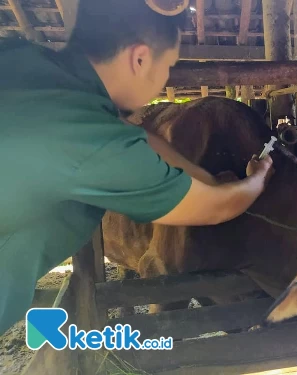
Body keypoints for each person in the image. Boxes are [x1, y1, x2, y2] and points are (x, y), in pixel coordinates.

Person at [0, 0, 274, 335]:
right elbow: (218, 208)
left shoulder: (20, 58)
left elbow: (133, 132)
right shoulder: (97, 143)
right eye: (167, 66)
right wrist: (257, 180)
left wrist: (205, 178)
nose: (163, 81)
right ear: (140, 58)